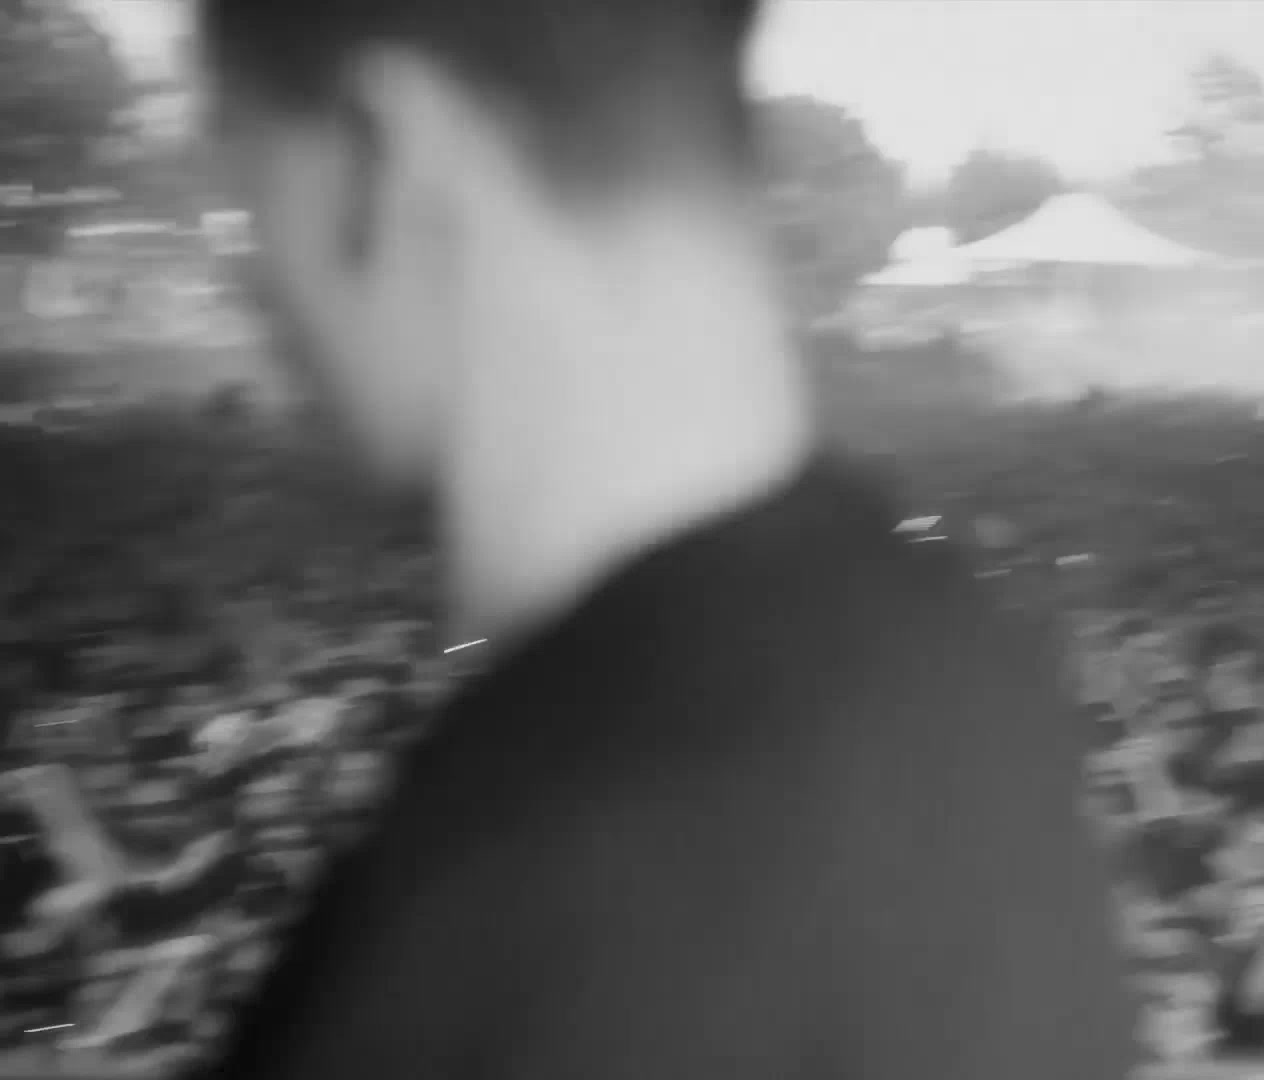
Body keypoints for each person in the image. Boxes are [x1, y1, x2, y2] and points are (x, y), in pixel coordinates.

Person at [196, 3, 1130, 1080]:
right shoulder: (979, 676)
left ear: (384, 159)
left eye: (242, 186)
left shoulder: (486, 931)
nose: (245, 279)